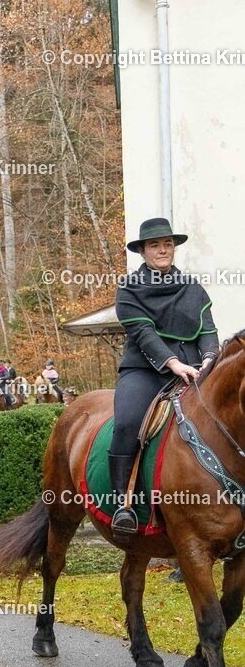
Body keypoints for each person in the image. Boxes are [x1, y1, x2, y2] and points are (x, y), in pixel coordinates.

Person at [110, 216, 219, 536]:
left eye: (167, 244)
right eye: (155, 245)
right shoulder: (128, 288)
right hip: (145, 371)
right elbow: (143, 334)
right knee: (128, 421)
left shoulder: (192, 287)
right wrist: (173, 363)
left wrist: (210, 358)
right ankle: (122, 504)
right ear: (143, 251)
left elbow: (208, 330)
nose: (163, 250)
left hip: (195, 370)